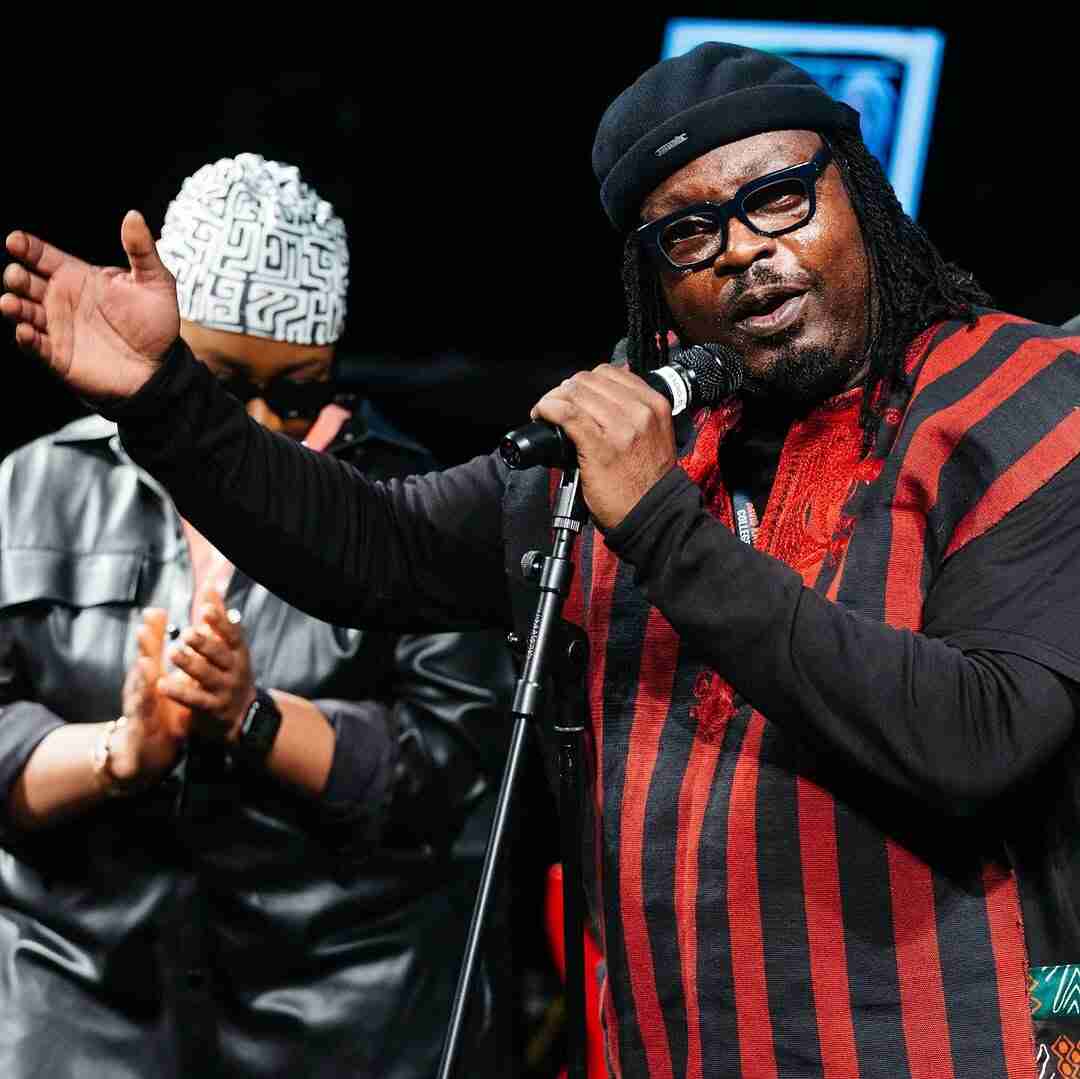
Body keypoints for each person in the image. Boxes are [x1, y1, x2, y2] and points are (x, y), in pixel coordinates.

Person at [6, 43, 1080, 1079]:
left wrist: (661, 524)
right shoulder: (630, 446)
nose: (744, 248)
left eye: (780, 198)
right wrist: (164, 401)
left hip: (963, 1042)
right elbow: (373, 547)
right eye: (690, 233)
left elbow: (980, 735)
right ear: (653, 285)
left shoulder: (1018, 401)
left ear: (862, 198)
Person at [0, 153, 514, 1078]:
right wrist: (120, 751)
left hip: (345, 1018)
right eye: (221, 386)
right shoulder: (34, 487)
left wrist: (254, 718)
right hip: (79, 1011)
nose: (262, 423)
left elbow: (455, 765)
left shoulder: (412, 507)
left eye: (299, 392)